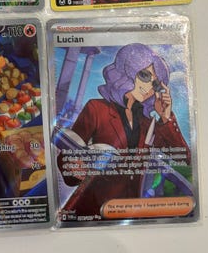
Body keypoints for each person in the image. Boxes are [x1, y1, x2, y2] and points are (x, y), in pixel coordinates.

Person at [58, 43, 191, 218]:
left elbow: (183, 157)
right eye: (144, 76)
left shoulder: (149, 124)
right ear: (127, 69)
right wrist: (76, 169)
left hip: (131, 213)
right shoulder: (97, 109)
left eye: (156, 84)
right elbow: (68, 154)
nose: (149, 87)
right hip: (91, 209)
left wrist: (166, 117)